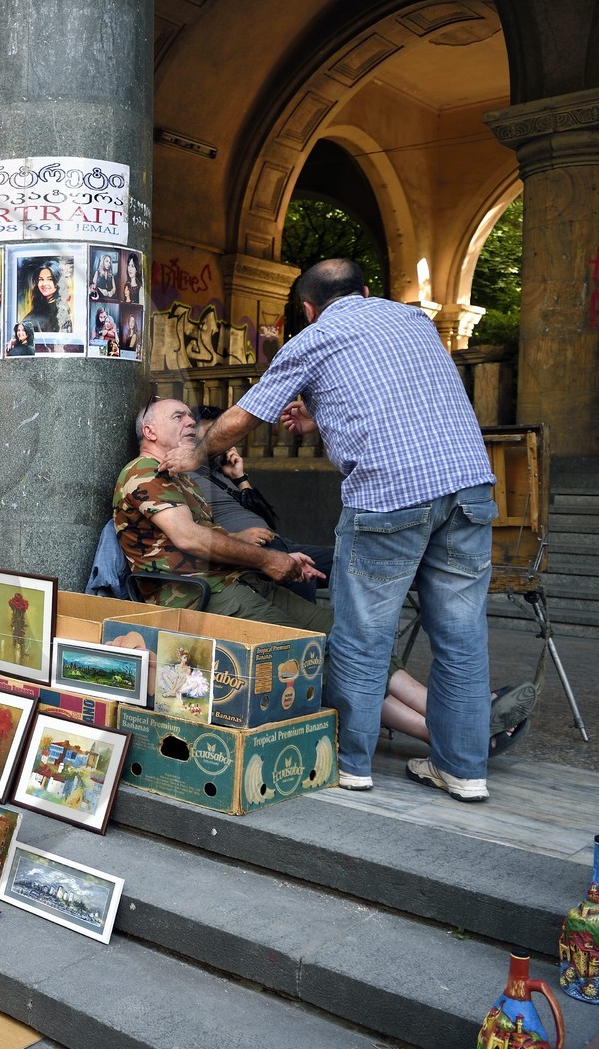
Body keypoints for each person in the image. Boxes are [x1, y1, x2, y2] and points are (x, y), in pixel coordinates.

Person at [165, 259, 507, 800]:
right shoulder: (413, 321)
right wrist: (318, 416)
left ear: (306, 308)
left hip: (388, 498)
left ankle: (354, 766)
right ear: (367, 291)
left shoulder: (311, 340)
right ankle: (464, 772)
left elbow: (241, 420)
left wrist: (195, 452)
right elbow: (397, 402)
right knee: (462, 639)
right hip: (468, 488)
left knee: (361, 639)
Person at [115, 398, 531, 783]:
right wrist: (267, 560)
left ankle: (463, 723)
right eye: (178, 417)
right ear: (149, 431)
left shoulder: (184, 477)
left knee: (350, 639)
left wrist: (286, 559)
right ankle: (452, 733)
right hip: (193, 597)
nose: (190, 422)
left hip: (234, 582)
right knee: (311, 655)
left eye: (191, 416)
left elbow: (217, 536)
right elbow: (191, 540)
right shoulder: (143, 472)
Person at [190, 405, 330, 602]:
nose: (221, 442)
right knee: (298, 577)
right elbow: (192, 533)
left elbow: (267, 520)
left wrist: (240, 478)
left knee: (345, 561)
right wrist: (236, 537)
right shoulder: (184, 475)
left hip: (280, 542)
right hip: (250, 553)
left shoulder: (221, 471)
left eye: (223, 436)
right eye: (212, 435)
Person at [21, 260, 66, 334]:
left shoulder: (62, 309)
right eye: (41, 279)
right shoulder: (37, 308)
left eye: (50, 279)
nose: (44, 284)